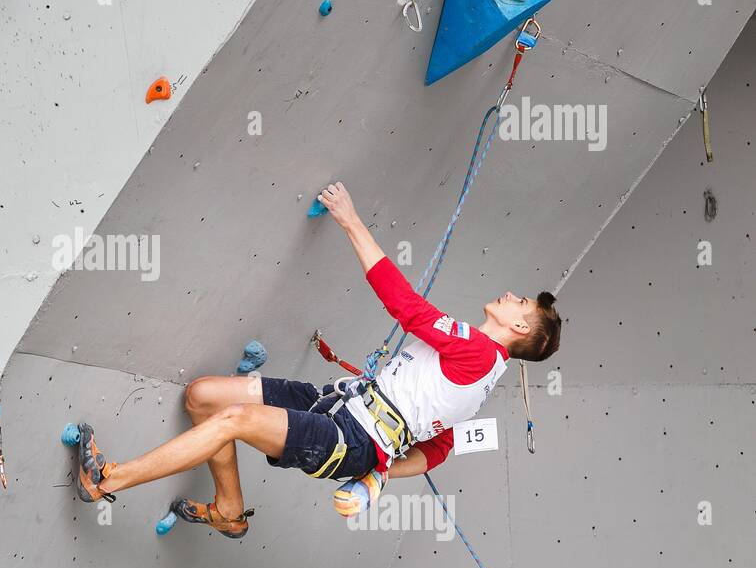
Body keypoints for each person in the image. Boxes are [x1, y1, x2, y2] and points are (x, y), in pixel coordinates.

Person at [71, 182, 562, 538]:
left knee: (234, 420)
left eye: (522, 304)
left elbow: (406, 308)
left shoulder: (478, 350)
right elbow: (438, 450)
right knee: (204, 397)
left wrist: (350, 220)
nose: (513, 296)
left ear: (519, 328)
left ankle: (107, 480)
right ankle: (229, 509)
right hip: (335, 405)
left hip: (349, 440)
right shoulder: (480, 378)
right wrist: (384, 474)